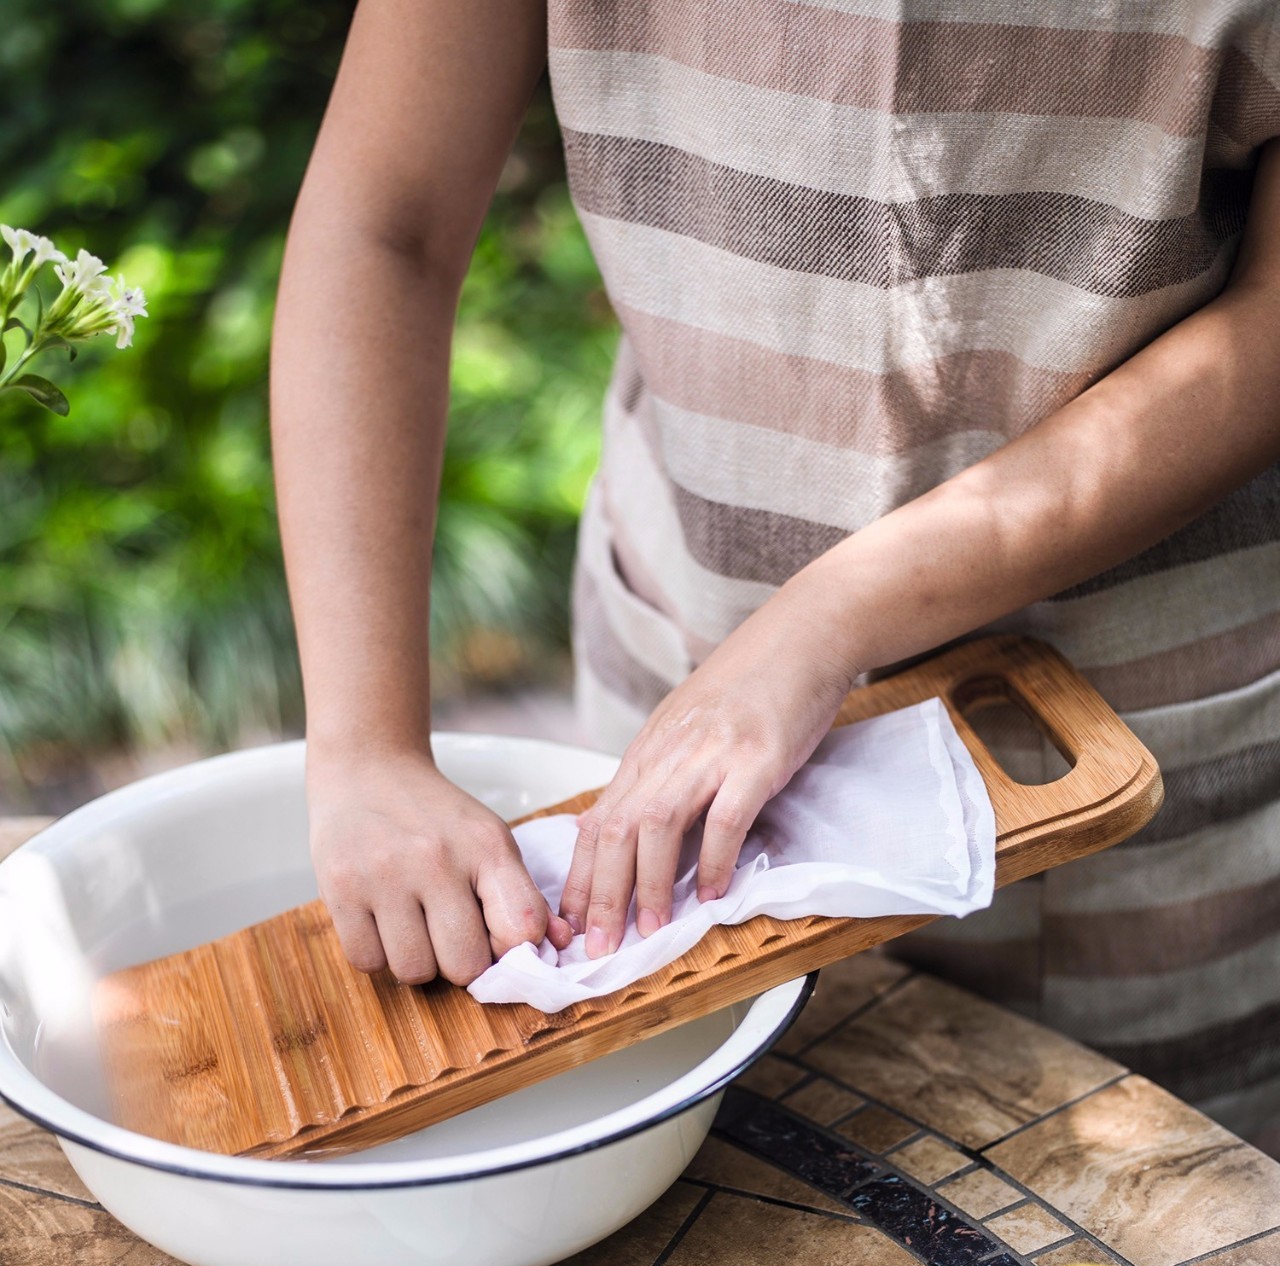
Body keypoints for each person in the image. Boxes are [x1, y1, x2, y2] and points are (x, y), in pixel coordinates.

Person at [271, 0, 1280, 1144]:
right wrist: (364, 749)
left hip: (1130, 746)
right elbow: (383, 220)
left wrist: (830, 615)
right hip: (672, 657)